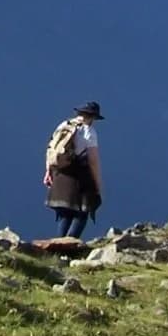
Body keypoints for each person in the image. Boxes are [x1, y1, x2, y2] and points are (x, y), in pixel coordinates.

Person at [44, 101, 104, 239]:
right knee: (81, 214)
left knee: (65, 214)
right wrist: (97, 185)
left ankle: (57, 249)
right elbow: (93, 161)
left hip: (60, 175)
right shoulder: (89, 132)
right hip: (79, 177)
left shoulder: (63, 125)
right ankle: (68, 247)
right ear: (92, 117)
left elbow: (51, 149)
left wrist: (48, 171)